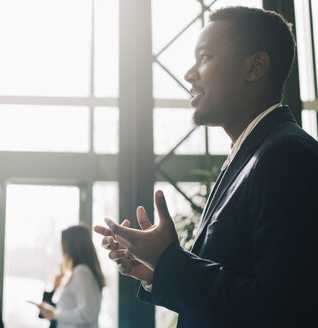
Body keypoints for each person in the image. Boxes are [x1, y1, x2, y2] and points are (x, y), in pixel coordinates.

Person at [94, 6, 318, 328]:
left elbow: (281, 309)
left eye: (205, 58)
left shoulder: (286, 156)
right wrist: (160, 271)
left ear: (255, 67)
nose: (189, 74)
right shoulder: (253, 155)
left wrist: (170, 261)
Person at [38, 223, 105, 328]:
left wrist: (55, 314)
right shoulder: (80, 272)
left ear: (70, 247)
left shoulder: (82, 273)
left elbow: (87, 314)